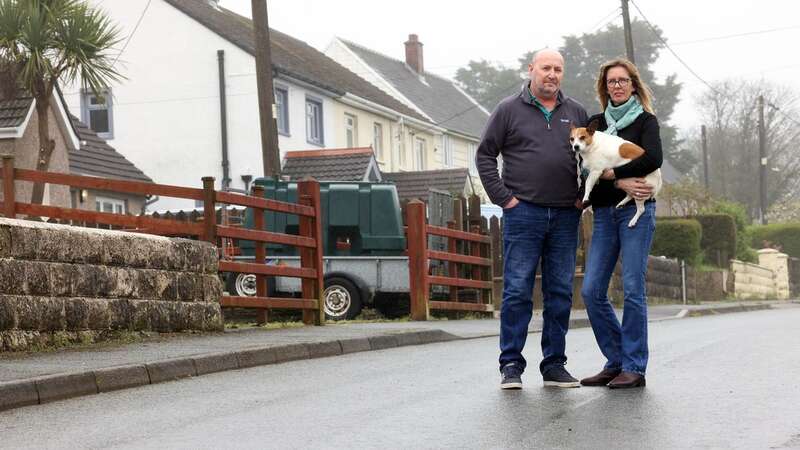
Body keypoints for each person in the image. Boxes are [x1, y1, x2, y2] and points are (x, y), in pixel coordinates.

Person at [476, 49, 588, 389]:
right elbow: (485, 156)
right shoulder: (508, 109)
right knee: (517, 291)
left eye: (557, 69)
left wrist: (585, 196)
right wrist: (505, 199)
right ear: (531, 70)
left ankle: (554, 365)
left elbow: (589, 157)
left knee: (559, 292)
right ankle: (511, 365)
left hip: (567, 216)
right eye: (545, 68)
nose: (551, 74)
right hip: (523, 213)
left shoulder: (576, 111)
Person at [579, 58, 662, 389]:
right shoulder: (594, 124)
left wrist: (615, 173)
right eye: (611, 81)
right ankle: (616, 361)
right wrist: (619, 182)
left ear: (633, 85)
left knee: (632, 288)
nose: (617, 85)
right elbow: (585, 170)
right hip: (603, 214)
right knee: (591, 290)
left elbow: (652, 158)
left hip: (636, 215)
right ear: (605, 87)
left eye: (622, 80)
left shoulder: (645, 121)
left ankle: (635, 367)